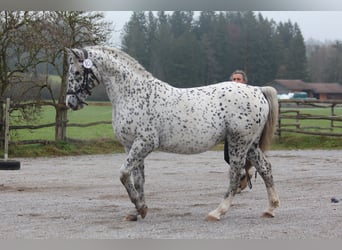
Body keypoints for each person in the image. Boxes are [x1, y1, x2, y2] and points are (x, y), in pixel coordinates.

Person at [225, 70, 254, 193]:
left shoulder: (251, 95)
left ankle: (240, 180)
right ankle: (244, 174)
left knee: (243, 156)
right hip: (231, 132)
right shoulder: (227, 96)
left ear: (244, 81)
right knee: (227, 157)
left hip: (245, 131)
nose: (236, 82)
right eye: (234, 79)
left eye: (239, 79)